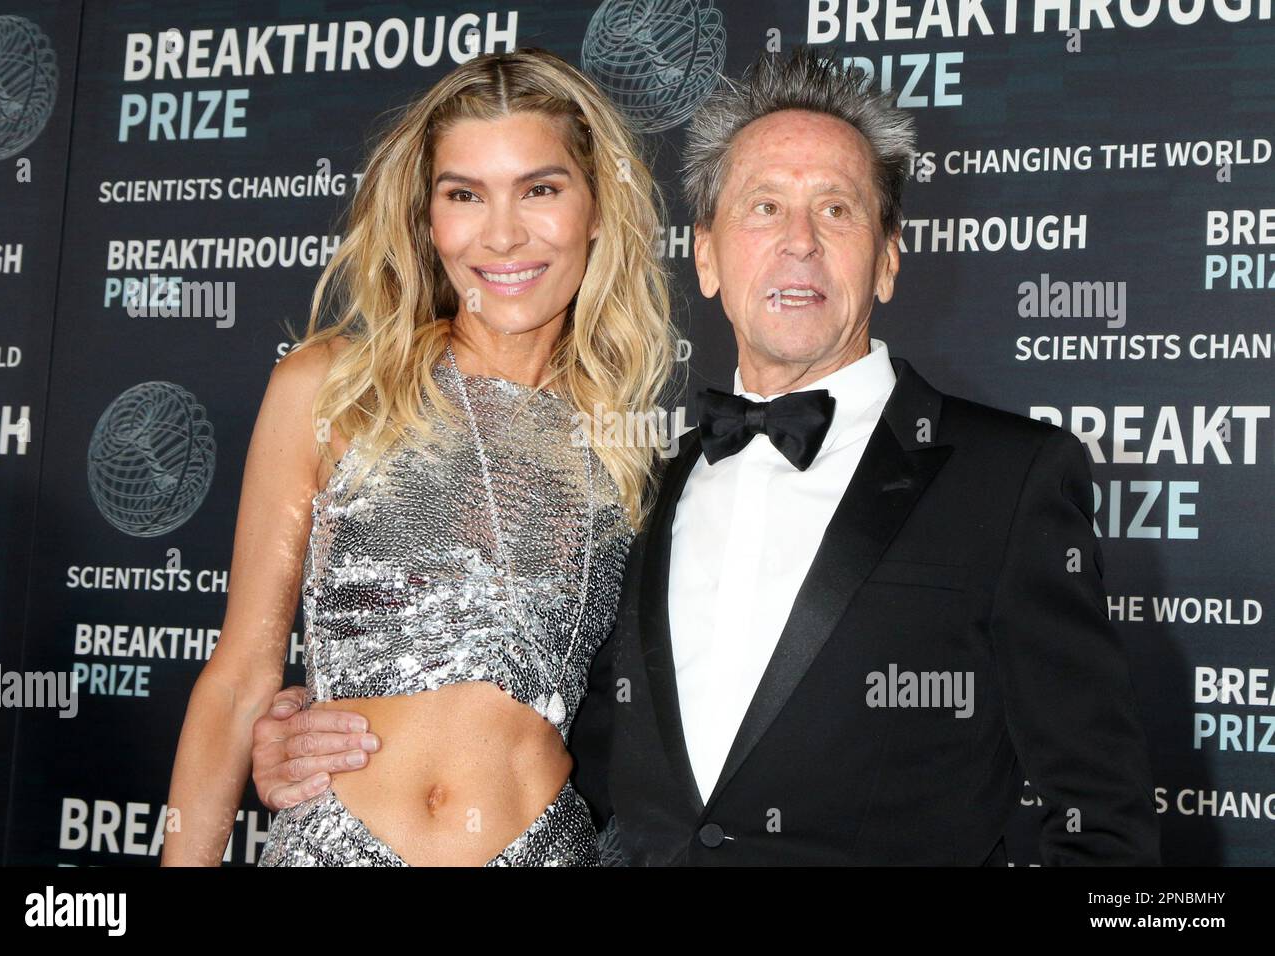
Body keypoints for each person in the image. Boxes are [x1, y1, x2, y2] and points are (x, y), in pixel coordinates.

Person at [251, 45, 1161, 866]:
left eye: (835, 209)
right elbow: (541, 723)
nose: (798, 240)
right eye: (763, 206)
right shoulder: (638, 484)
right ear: (708, 256)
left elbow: (1106, 819)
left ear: (887, 259)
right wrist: (305, 730)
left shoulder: (1008, 478)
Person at [161, 47, 677, 866]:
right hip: (333, 848)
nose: (503, 234)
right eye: (464, 195)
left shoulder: (634, 447)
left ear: (597, 210)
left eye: (539, 189)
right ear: (426, 219)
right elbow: (238, 679)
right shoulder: (332, 388)